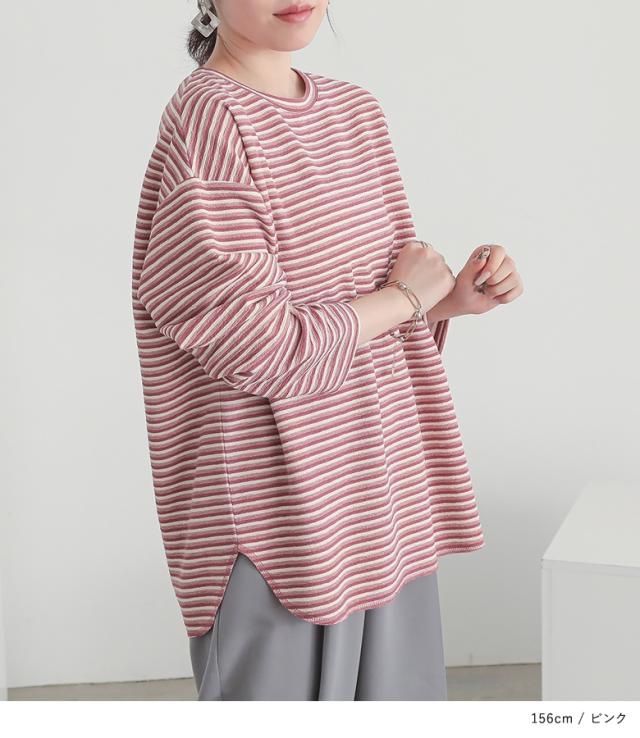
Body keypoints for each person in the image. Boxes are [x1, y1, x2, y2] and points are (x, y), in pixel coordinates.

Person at [131, 0, 524, 701]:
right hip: (276, 521)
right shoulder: (210, 120)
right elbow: (259, 347)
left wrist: (446, 302)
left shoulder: (355, 112)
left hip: (382, 492)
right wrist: (404, 298)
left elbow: (368, 313)